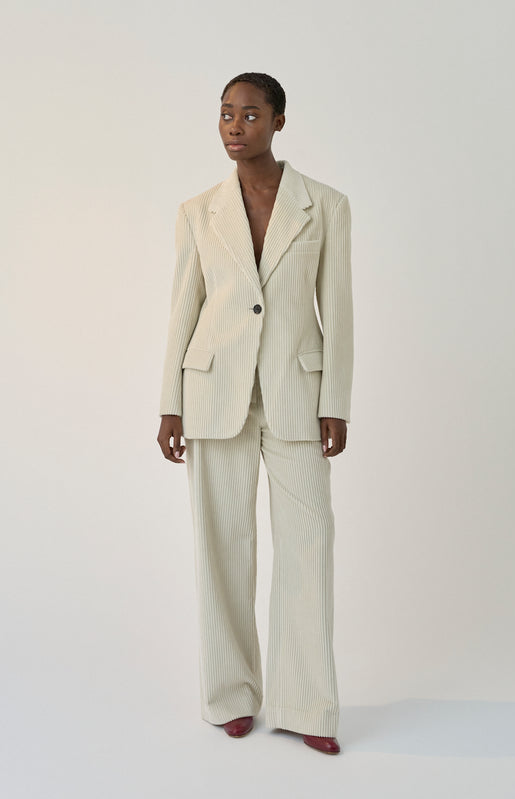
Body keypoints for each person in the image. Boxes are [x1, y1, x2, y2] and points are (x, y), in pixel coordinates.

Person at [157, 72, 353, 755]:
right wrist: (169, 403)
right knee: (222, 547)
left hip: (297, 393)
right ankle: (231, 695)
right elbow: (183, 309)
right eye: (224, 114)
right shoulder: (197, 211)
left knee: (308, 547)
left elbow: (339, 309)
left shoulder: (325, 206)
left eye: (249, 114)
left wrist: (336, 401)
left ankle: (306, 704)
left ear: (278, 122)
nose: (234, 126)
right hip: (213, 391)